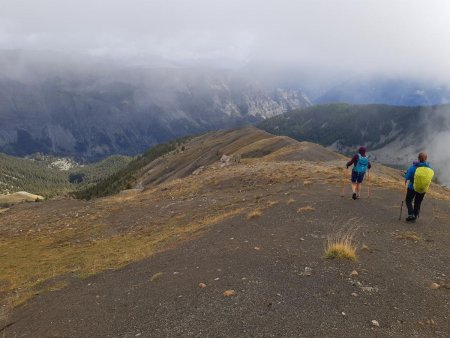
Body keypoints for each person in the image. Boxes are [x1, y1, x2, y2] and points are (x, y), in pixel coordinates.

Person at [404, 152, 434, 222]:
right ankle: (415, 215)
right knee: (418, 202)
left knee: (408, 201)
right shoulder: (429, 168)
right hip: (423, 189)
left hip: (412, 187)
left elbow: (407, 177)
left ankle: (411, 214)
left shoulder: (413, 167)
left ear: (418, 158)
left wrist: (406, 173)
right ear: (426, 159)